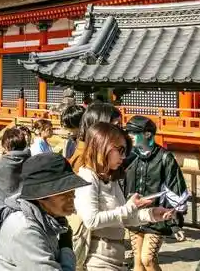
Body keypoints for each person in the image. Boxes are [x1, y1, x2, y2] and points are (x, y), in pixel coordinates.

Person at [74, 122, 174, 271]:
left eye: (125, 151)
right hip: (97, 259)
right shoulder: (88, 176)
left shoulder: (110, 177)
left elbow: (122, 219)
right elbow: (91, 220)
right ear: (102, 146)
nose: (123, 156)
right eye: (119, 150)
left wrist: (150, 215)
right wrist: (130, 207)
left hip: (116, 257)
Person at [0, 153, 91, 270]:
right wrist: (66, 248)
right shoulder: (25, 229)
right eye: (64, 194)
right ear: (41, 197)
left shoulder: (47, 219)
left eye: (72, 191)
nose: (72, 198)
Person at [123, 116, 187, 271]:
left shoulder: (165, 157)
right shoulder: (128, 156)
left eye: (134, 132)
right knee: (137, 262)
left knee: (148, 259)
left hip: (157, 214)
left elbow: (176, 188)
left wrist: (174, 219)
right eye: (128, 132)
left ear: (147, 134)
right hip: (134, 213)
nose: (129, 135)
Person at [69, 102, 122, 172]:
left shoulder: (102, 149)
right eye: (116, 126)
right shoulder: (82, 158)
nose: (120, 131)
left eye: (120, 126)